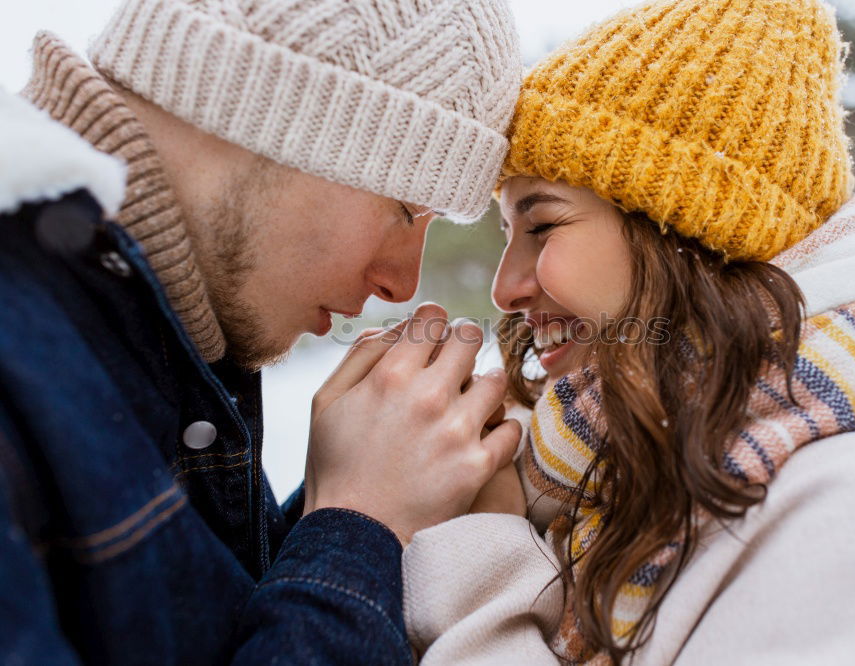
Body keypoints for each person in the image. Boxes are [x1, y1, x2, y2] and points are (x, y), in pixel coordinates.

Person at [402, 0, 855, 663]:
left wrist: (481, 539)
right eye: (506, 233)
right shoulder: (594, 477)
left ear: (690, 234)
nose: (504, 288)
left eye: (541, 225)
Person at [0, 0, 523, 663]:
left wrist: (376, 495)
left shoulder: (170, 334)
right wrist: (360, 528)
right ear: (262, 108)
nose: (402, 283)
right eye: (404, 207)